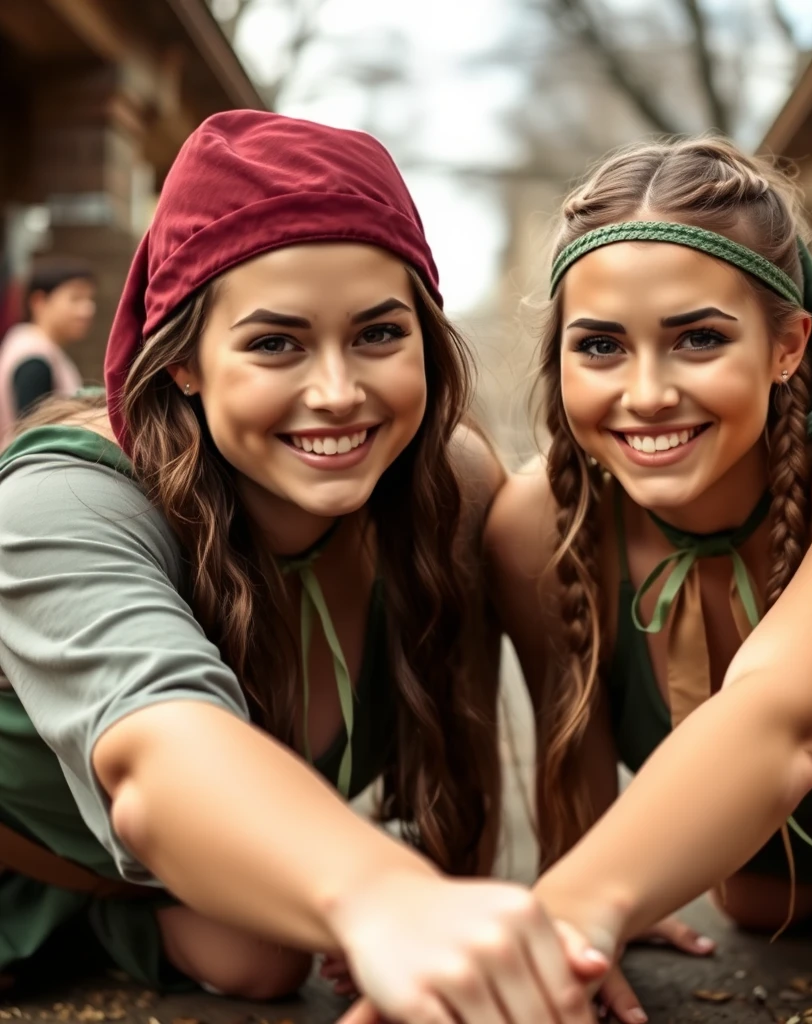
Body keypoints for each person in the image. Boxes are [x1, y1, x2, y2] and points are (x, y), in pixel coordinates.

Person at [0, 110, 608, 1024]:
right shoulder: (61, 503)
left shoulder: (452, 489)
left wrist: (514, 930)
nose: (337, 391)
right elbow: (156, 749)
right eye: (275, 342)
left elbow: (464, 791)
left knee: (266, 957)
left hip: (165, 890)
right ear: (187, 363)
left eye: (378, 334)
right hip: (26, 856)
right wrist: (385, 898)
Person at [485, 136, 812, 1018]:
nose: (648, 392)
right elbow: (572, 755)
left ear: (787, 346)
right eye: (602, 346)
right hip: (809, 775)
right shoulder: (533, 522)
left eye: (698, 338)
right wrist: (586, 922)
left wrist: (556, 922)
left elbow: (779, 719)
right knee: (761, 904)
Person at [0, 258, 95, 437]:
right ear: (39, 301)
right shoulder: (33, 357)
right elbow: (34, 435)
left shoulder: (32, 345)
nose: (88, 309)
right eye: (75, 299)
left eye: (90, 299)